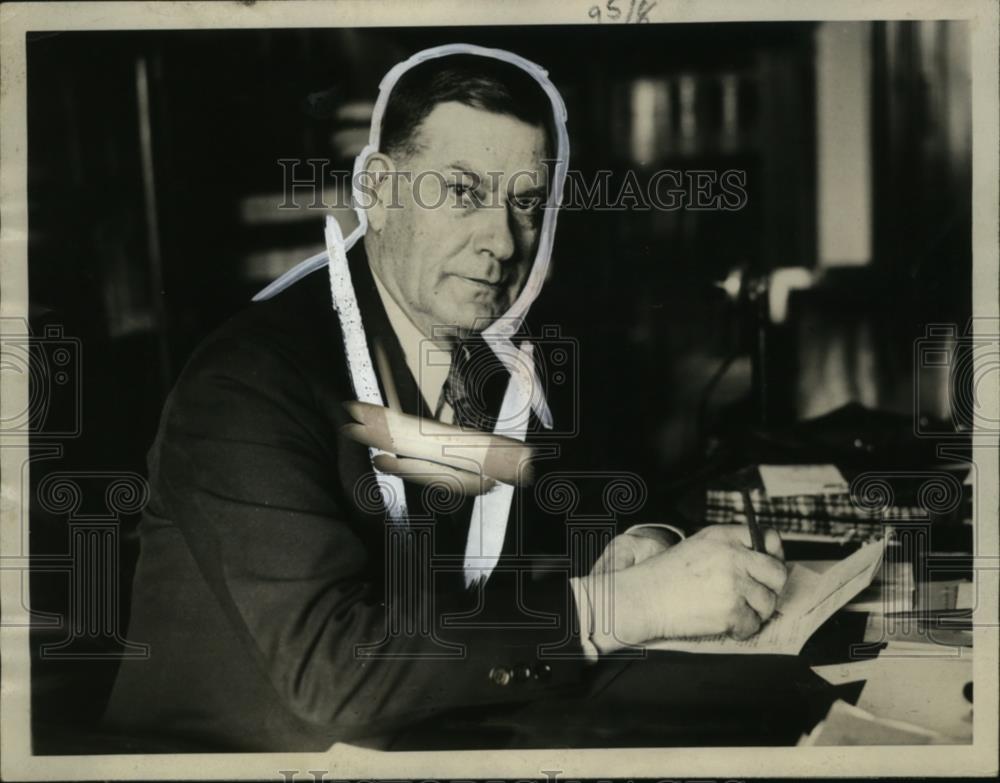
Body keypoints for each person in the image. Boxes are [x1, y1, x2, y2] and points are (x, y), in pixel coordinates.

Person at [104, 47, 786, 752]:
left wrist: (645, 543)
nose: (501, 241)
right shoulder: (245, 383)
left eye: (524, 203)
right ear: (377, 189)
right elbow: (334, 672)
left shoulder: (492, 355)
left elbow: (612, 490)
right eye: (462, 192)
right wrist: (627, 605)